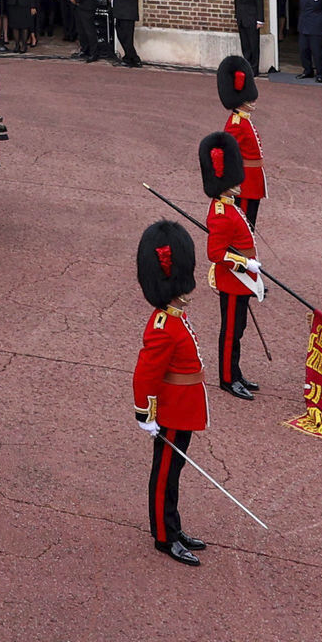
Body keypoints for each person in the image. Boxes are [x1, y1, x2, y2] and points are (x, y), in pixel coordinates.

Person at [133, 219, 208, 565]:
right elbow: (146, 375)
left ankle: (173, 527)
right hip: (171, 412)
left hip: (184, 409)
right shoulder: (163, 326)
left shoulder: (175, 317)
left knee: (174, 471)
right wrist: (145, 414)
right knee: (165, 474)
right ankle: (164, 536)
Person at [201, 131, 262, 402]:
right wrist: (244, 262)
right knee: (231, 332)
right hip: (233, 279)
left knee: (239, 328)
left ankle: (235, 373)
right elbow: (215, 253)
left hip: (244, 276)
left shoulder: (230, 205)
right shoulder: (222, 213)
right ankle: (227, 378)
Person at [217, 54, 264, 229]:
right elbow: (227, 154)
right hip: (245, 183)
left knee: (249, 225)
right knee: (243, 227)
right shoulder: (236, 124)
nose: (252, 101)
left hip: (253, 182)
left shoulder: (244, 120)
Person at [231, 0, 265, 73]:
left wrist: (260, 20)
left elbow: (259, 4)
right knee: (245, 45)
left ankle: (254, 69)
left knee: (253, 44)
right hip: (241, 19)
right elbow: (237, 2)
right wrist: (237, 16)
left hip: (252, 20)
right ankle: (246, 67)